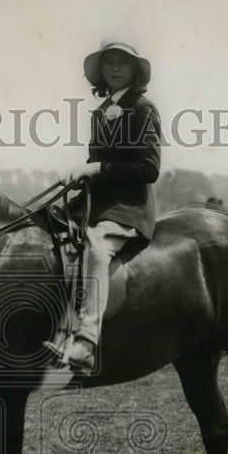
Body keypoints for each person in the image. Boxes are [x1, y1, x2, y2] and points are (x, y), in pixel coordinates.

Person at [56, 38, 161, 373]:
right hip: (96, 202)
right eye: (109, 63)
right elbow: (96, 163)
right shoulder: (101, 112)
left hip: (128, 207)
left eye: (123, 62)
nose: (115, 69)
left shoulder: (143, 108)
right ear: (100, 71)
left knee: (97, 250)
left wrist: (95, 169)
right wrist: (81, 176)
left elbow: (149, 169)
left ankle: (86, 342)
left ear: (135, 70)